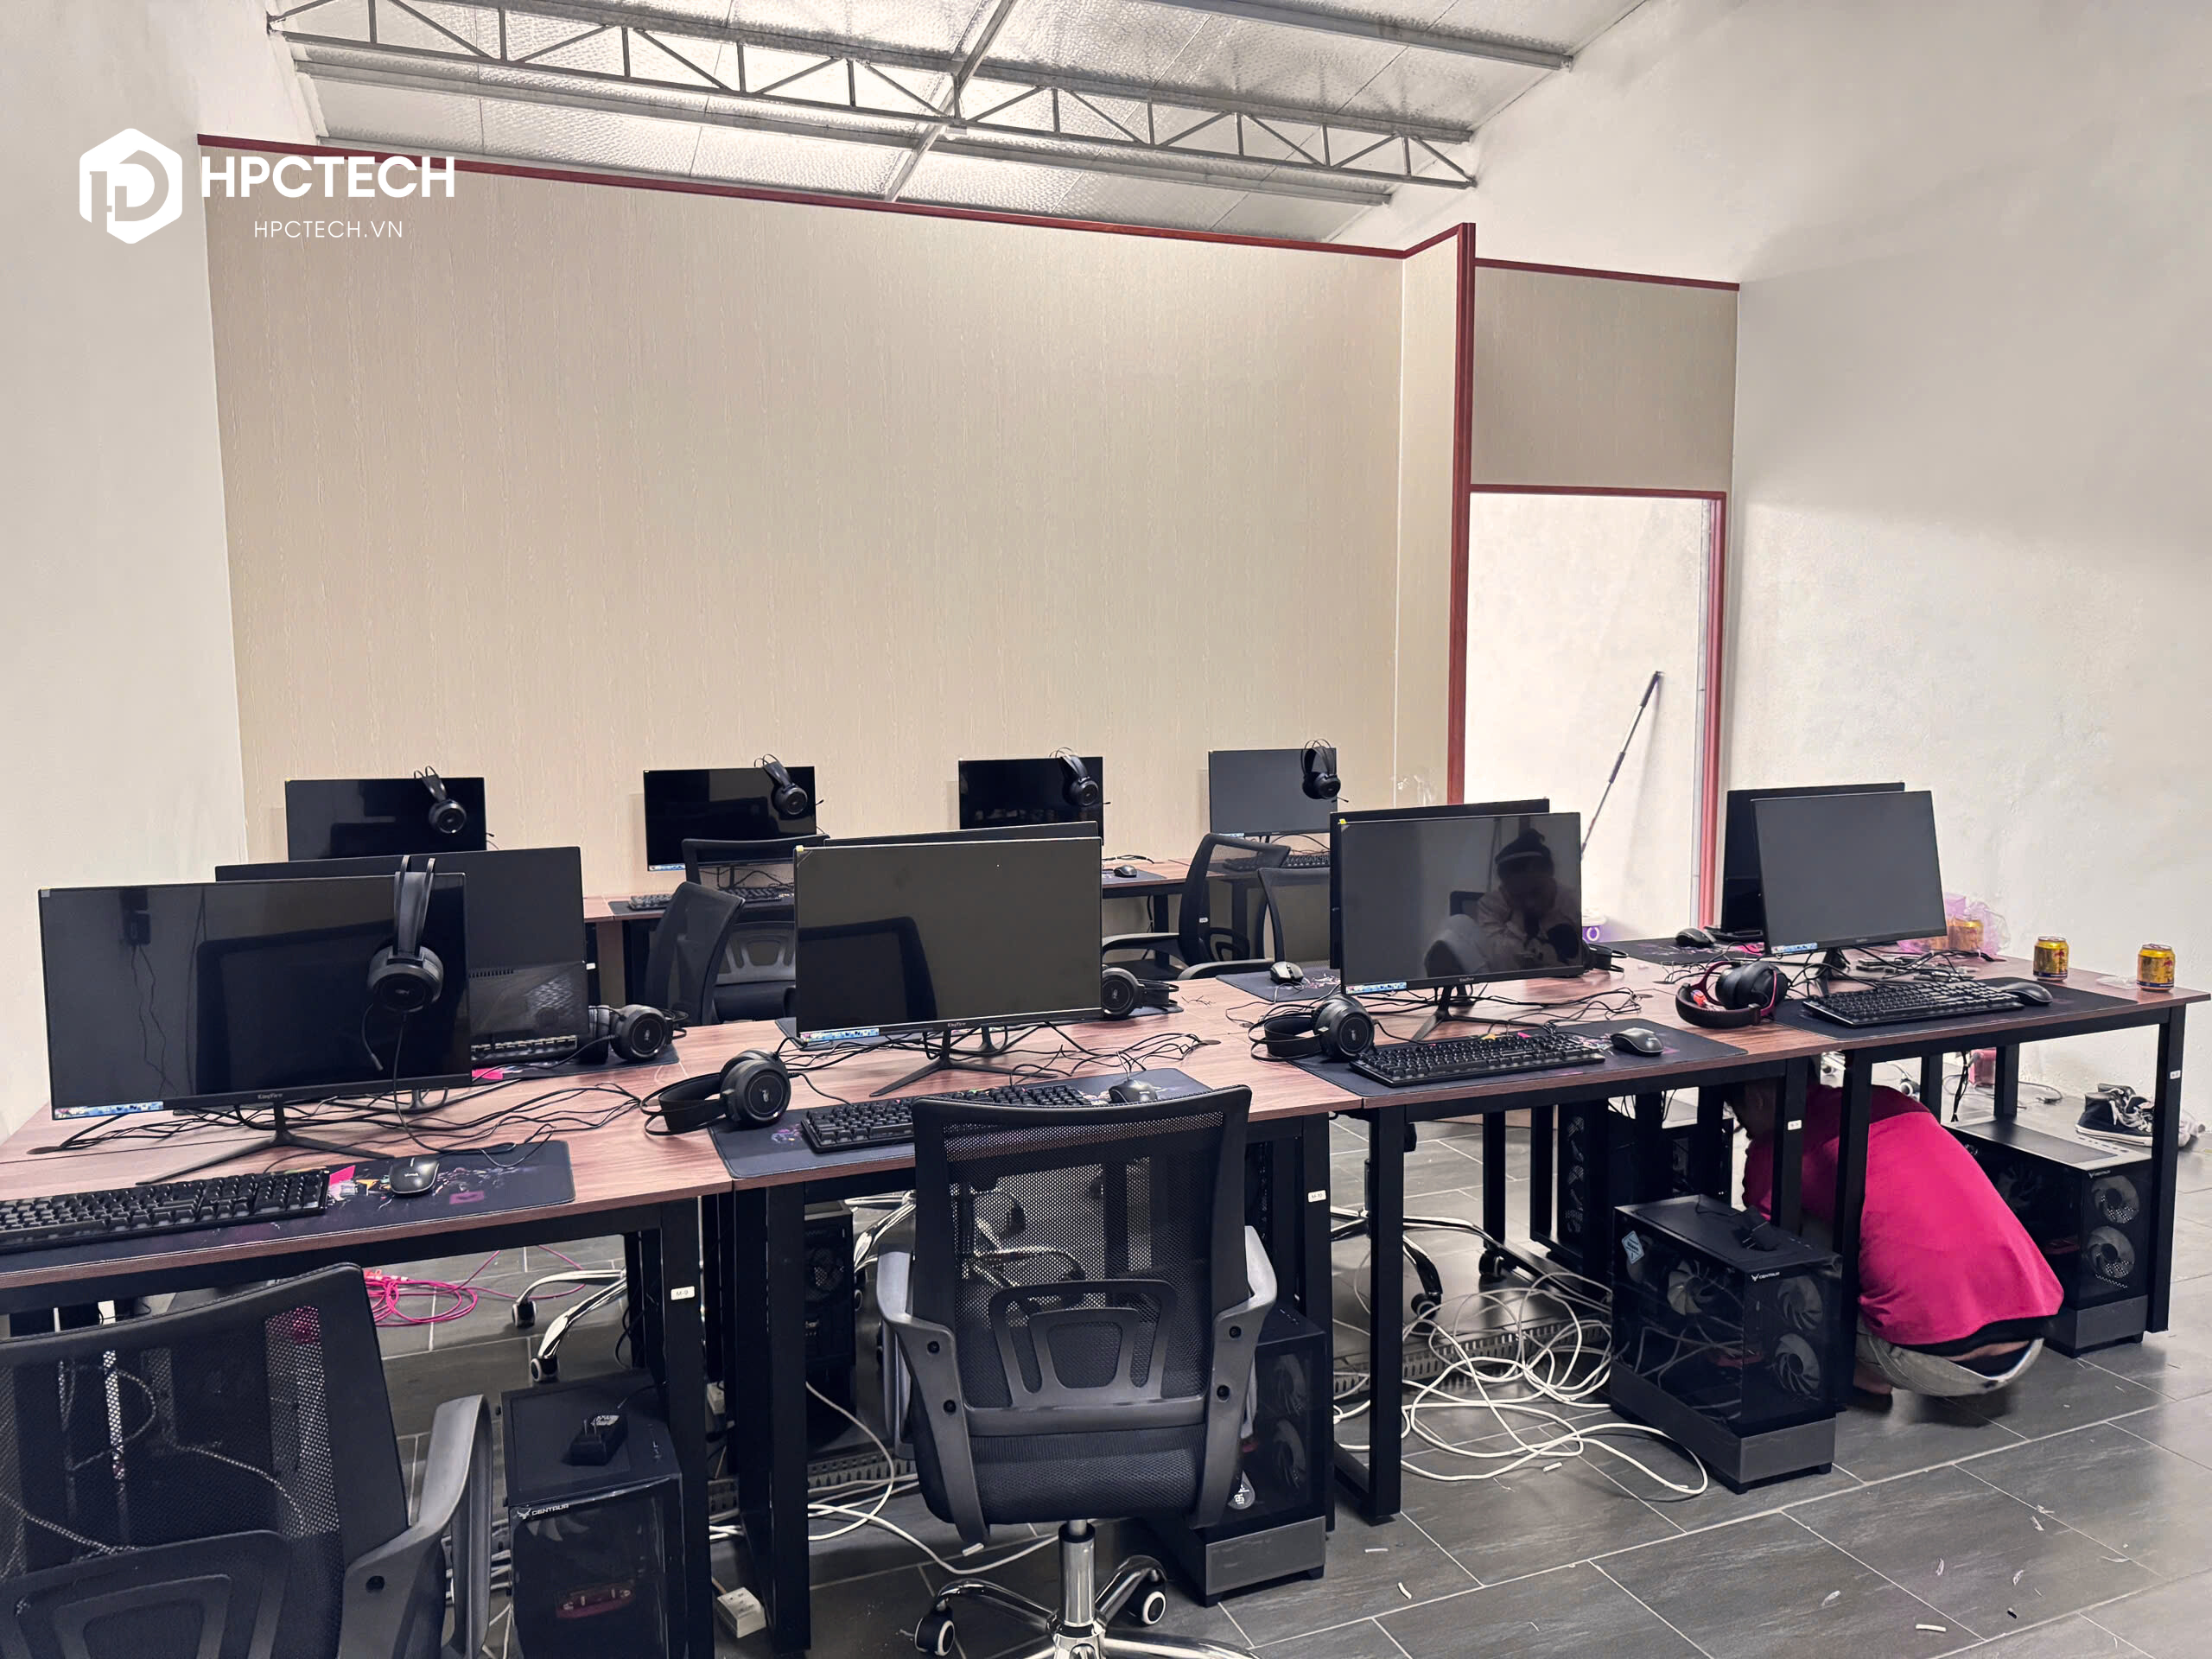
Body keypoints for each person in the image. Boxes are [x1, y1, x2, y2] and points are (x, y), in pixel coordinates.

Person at [1733, 1076, 2062, 1398]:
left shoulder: (1778, 1145)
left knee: (1795, 1231)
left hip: (1922, 1362)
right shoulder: (1892, 1101)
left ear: (1755, 1098)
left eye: (1742, 1120)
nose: (1747, 1131)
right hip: (2030, 1339)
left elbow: (1762, 1237)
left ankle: (1858, 1370)